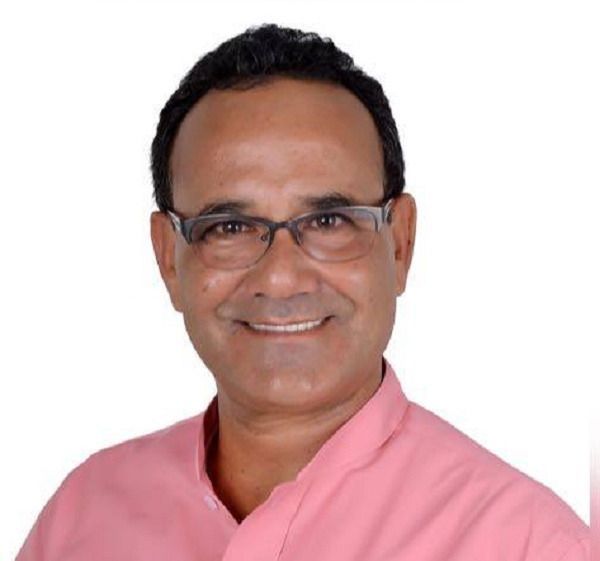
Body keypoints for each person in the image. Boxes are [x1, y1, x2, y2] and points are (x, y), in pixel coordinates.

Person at [16, 23, 589, 561]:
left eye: (329, 221)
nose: (280, 278)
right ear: (169, 257)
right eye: (230, 227)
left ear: (400, 245)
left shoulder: (529, 543)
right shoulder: (82, 517)